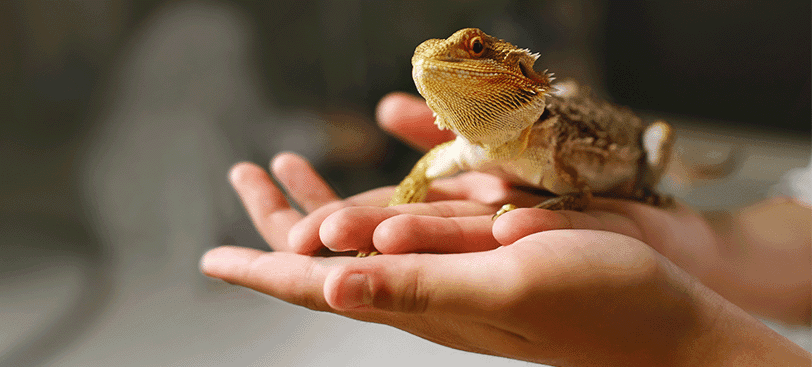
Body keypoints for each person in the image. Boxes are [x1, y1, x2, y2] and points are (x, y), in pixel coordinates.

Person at [200, 92, 811, 365]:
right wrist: (707, 248)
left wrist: (691, 346)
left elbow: (572, 190)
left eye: (471, 53)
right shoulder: (471, 144)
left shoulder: (551, 139)